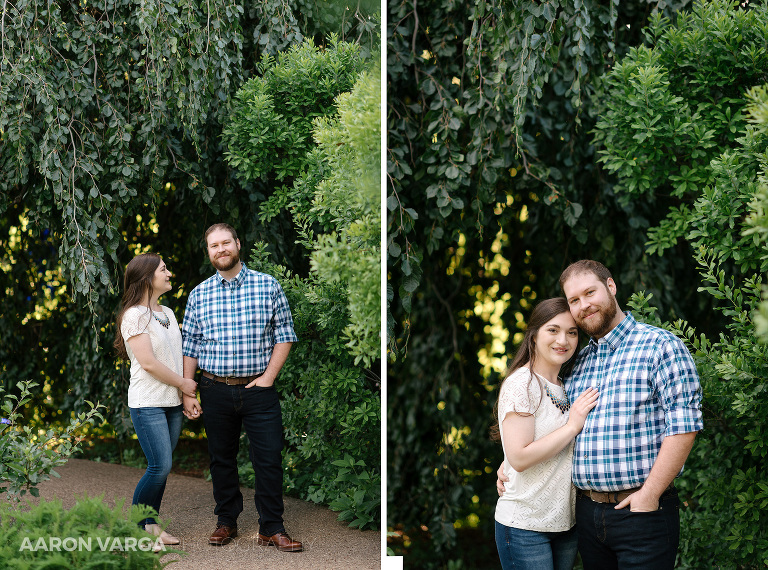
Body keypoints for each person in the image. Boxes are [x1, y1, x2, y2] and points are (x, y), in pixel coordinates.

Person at [499, 260, 703, 569]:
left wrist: (649, 495)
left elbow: (684, 426)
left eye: (589, 292)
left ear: (611, 287)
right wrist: (511, 459)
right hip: (586, 516)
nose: (583, 305)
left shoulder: (659, 346)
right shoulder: (577, 362)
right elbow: (547, 417)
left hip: (641, 511)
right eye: (574, 300)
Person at [181, 223, 302, 552]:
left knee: (269, 458)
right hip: (215, 388)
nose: (219, 249)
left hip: (258, 391)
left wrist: (269, 377)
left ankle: (271, 527)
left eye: (225, 243)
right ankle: (226, 521)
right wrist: (188, 392)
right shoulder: (199, 294)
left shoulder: (268, 286)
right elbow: (190, 346)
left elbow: (285, 335)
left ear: (238, 243)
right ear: (208, 252)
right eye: (212, 245)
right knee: (221, 459)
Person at [494, 297, 599, 570]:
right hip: (525, 525)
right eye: (553, 330)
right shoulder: (522, 384)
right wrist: (572, 427)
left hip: (566, 523)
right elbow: (519, 457)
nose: (562, 340)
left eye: (572, 332)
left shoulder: (567, 385)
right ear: (534, 334)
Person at [114, 253, 198, 547]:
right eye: (164, 269)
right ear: (147, 277)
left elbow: (175, 358)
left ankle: (151, 525)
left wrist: (186, 394)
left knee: (162, 466)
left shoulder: (169, 313)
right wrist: (186, 384)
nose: (169, 273)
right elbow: (148, 363)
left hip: (172, 402)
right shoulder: (134, 315)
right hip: (147, 401)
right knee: (159, 466)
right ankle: (140, 529)